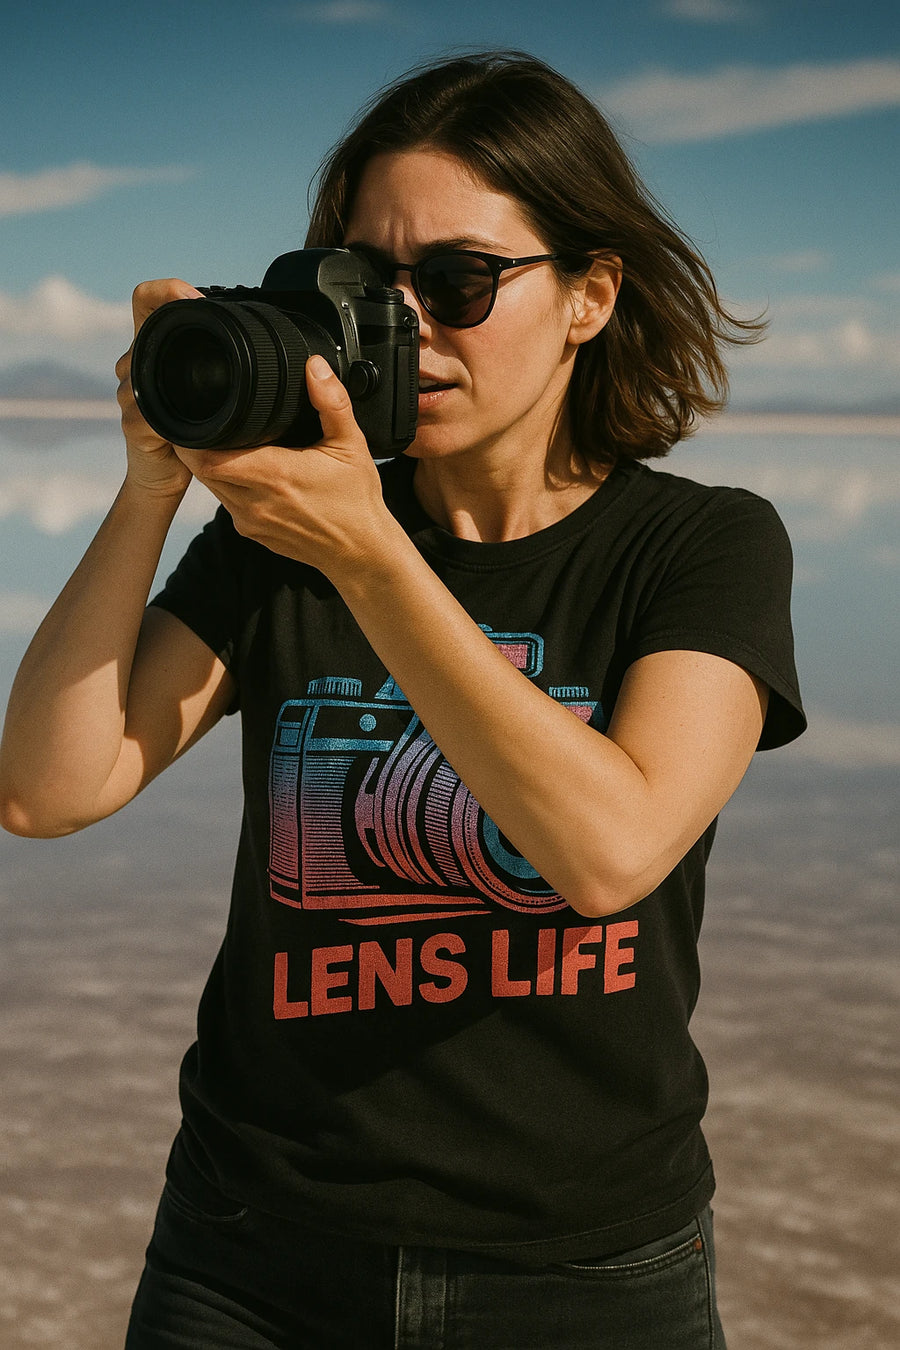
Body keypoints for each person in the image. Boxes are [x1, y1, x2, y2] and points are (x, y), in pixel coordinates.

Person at [0, 50, 805, 1350]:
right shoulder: (282, 538)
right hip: (251, 1249)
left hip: (582, 1269)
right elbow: (47, 789)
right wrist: (155, 483)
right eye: (375, 284)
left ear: (590, 295)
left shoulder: (699, 547)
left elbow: (610, 851)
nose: (411, 322)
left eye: (460, 281)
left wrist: (371, 558)